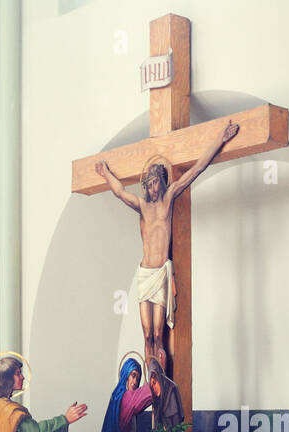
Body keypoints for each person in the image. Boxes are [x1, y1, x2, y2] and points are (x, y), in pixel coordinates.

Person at [95, 120, 240, 366]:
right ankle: (150, 374)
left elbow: (196, 170)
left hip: (161, 273)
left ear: (161, 181)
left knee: (158, 334)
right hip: (144, 273)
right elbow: (119, 192)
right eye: (148, 185)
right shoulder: (141, 206)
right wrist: (106, 173)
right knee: (146, 333)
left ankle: (158, 377)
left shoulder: (169, 198)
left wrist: (220, 139)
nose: (151, 188)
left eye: (154, 183)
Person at [147, 357, 184, 430]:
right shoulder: (157, 399)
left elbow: (176, 427)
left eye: (154, 383)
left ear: (159, 378)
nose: (154, 389)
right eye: (151, 387)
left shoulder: (171, 389)